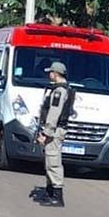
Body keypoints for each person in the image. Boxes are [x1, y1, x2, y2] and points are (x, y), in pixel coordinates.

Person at [35, 61, 74, 208]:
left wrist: (46, 133)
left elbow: (53, 114)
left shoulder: (59, 91)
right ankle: (50, 192)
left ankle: (57, 196)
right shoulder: (63, 89)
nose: (48, 74)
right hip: (56, 130)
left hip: (55, 131)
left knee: (53, 161)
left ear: (56, 73)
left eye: (50, 72)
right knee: (50, 160)